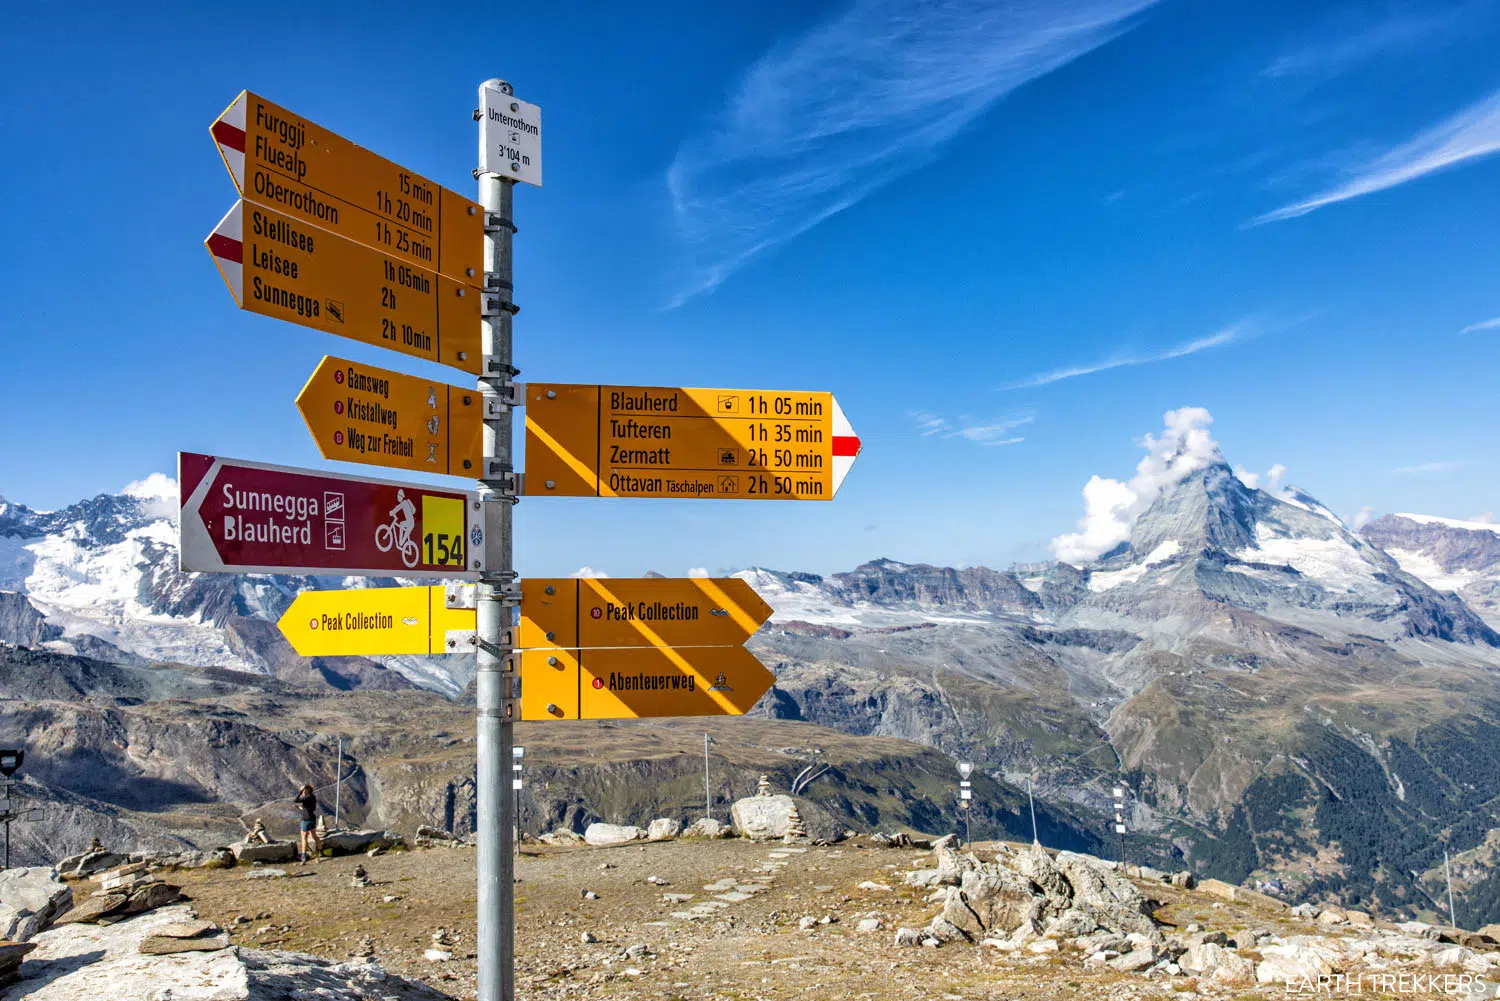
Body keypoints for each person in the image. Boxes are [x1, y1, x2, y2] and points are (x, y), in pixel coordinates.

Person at [294, 784, 321, 862]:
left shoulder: (307, 797)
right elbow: (311, 809)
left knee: (304, 837)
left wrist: (300, 792)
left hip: (306, 819)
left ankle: (303, 856)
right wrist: (301, 808)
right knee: (315, 836)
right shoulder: (313, 797)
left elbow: (296, 800)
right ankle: (319, 853)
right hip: (312, 818)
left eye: (303, 790)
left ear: (306, 790)